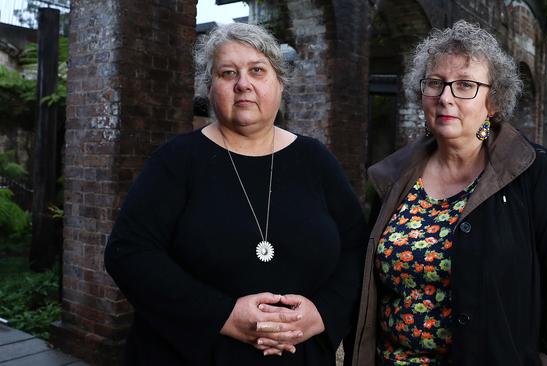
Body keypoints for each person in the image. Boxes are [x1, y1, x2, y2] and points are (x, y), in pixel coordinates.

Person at [104, 22, 367, 365]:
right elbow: (128, 253)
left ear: (279, 83)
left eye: (257, 70)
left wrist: (322, 313)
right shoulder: (177, 161)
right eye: (228, 73)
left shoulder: (315, 160)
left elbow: (358, 246)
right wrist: (223, 315)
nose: (244, 84)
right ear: (211, 88)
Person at [348, 20, 547, 366]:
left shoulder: (532, 171)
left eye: (465, 85)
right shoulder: (394, 177)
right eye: (435, 83)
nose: (445, 97)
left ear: (493, 101)